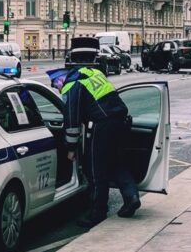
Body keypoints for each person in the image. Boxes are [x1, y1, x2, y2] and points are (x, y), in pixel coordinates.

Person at [56, 64, 138, 227]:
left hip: (103, 125)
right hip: (122, 121)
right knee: (117, 162)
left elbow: (72, 121)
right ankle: (131, 196)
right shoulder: (93, 73)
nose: (58, 89)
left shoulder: (72, 85)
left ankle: (97, 213)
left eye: (56, 85)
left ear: (61, 79)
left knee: (95, 169)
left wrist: (71, 148)